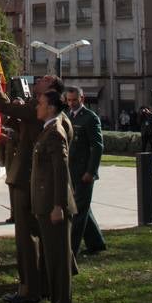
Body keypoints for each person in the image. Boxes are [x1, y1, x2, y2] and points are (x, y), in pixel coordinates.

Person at [0, 74, 71, 303]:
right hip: (29, 180)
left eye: (44, 79)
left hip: (27, 180)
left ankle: (29, 289)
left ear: (52, 91)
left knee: (26, 238)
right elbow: (20, 125)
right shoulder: (40, 111)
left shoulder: (41, 108)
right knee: (37, 237)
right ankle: (42, 285)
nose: (38, 80)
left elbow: (6, 107)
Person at [32, 89, 77, 303]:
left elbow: (61, 171)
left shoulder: (55, 133)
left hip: (54, 207)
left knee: (58, 261)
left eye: (39, 103)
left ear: (50, 107)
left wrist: (58, 205)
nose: (36, 106)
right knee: (52, 258)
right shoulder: (48, 129)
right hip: (47, 205)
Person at [65, 85, 106, 258]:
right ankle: (96, 243)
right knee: (84, 208)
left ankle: (71, 250)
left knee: (78, 212)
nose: (72, 103)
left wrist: (91, 171)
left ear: (82, 99)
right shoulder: (66, 116)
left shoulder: (90, 118)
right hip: (71, 172)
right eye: (69, 100)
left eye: (75, 100)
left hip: (84, 173)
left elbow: (97, 147)